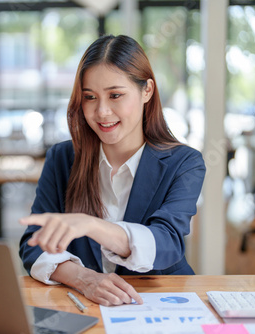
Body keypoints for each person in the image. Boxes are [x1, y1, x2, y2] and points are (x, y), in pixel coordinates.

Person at [19, 35, 206, 307]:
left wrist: (93, 225)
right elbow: (33, 245)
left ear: (147, 91)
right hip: (84, 306)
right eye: (90, 97)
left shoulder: (184, 162)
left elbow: (166, 244)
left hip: (160, 304)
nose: (102, 111)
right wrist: (84, 279)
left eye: (115, 95)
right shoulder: (62, 158)